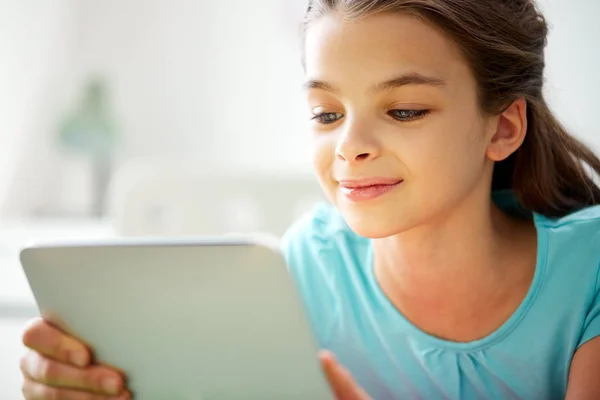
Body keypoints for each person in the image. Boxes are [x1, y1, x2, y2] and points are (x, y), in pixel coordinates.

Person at [19, 0, 600, 399]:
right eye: (327, 114)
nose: (350, 147)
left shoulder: (589, 272)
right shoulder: (302, 271)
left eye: (403, 111)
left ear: (502, 128)